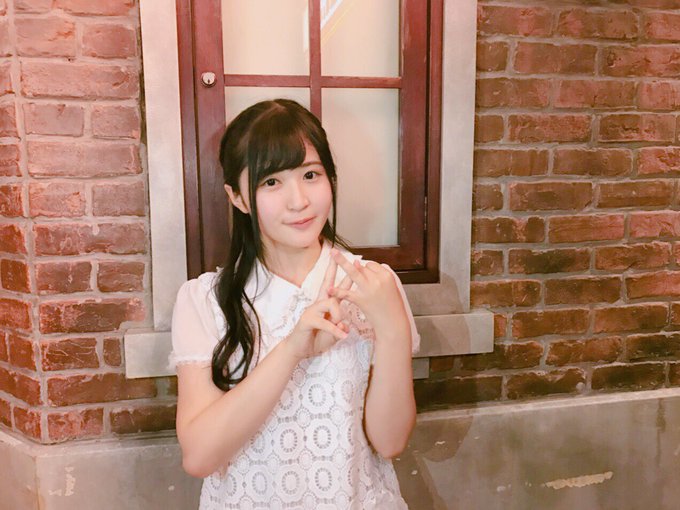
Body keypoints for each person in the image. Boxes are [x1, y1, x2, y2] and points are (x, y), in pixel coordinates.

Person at [169, 98, 421, 509]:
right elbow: (199, 456)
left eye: (310, 175)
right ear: (238, 197)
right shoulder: (204, 299)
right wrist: (291, 350)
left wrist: (392, 329)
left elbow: (390, 442)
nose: (299, 200)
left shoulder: (373, 284)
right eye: (271, 182)